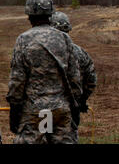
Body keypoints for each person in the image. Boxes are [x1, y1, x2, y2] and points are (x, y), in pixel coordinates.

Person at [6, 0, 82, 144]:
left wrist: (14, 109)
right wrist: (76, 105)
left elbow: (17, 80)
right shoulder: (65, 38)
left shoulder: (24, 40)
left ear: (29, 15)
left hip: (35, 110)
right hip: (61, 109)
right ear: (50, 14)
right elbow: (74, 77)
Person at [50, 11, 97, 142]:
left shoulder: (40, 51)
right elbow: (91, 80)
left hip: (44, 109)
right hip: (70, 109)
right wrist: (81, 100)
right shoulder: (80, 53)